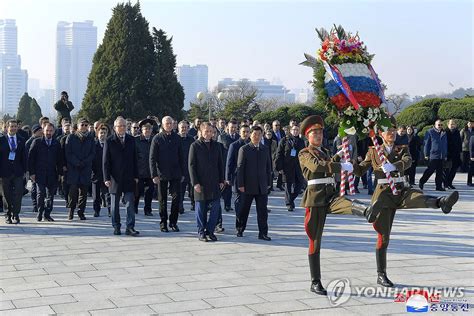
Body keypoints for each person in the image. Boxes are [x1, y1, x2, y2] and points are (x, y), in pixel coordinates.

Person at [354, 117, 459, 288]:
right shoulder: (374, 151)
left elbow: (407, 161)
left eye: (394, 130)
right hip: (383, 195)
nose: (392, 133)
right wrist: (349, 163)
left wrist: (394, 166)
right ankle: (381, 274)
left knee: (417, 197)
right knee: (383, 236)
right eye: (389, 130)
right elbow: (360, 170)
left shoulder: (402, 148)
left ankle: (442, 202)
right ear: (380, 133)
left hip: (401, 189)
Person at [298, 115, 378, 295]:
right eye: (314, 133)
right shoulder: (304, 153)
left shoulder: (324, 151)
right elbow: (317, 167)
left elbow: (326, 162)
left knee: (346, 202)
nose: (318, 136)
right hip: (315, 199)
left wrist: (338, 155)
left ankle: (367, 211)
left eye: (320, 132)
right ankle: (315, 281)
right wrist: (340, 166)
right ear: (307, 136)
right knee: (315, 240)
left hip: (330, 194)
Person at [103, 117, 139, 236]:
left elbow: (135, 158)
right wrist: (106, 178)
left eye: (124, 125)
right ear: (114, 128)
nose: (123, 128)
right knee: (115, 205)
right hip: (115, 178)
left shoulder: (131, 140)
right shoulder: (109, 141)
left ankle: (130, 227)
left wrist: (136, 175)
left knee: (130, 204)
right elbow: (105, 161)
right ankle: (116, 226)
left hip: (129, 177)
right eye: (120, 126)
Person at [189, 123, 224, 242]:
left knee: (216, 208)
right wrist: (195, 183)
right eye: (206, 131)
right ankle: (201, 231)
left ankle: (210, 230)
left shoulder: (217, 146)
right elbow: (191, 166)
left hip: (214, 182)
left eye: (211, 131)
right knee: (201, 210)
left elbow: (220, 164)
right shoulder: (195, 146)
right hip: (201, 183)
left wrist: (221, 180)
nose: (209, 133)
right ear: (201, 131)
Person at [236, 126, 272, 241]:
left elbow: (268, 167)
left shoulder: (265, 149)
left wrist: (269, 183)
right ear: (250, 135)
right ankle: (240, 229)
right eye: (254, 134)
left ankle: (263, 233)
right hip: (247, 185)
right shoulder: (244, 149)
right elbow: (240, 168)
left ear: (262, 135)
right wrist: (240, 184)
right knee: (244, 210)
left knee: (262, 211)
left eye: (259, 134)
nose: (256, 136)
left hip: (262, 186)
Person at [150, 116, 185, 232]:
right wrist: (154, 175)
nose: (169, 125)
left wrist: (183, 172)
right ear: (163, 125)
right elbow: (152, 158)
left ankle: (173, 222)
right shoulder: (157, 138)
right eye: (167, 123)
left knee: (176, 198)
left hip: (175, 173)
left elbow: (181, 157)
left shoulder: (177, 138)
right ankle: (163, 223)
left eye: (171, 123)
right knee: (162, 200)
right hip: (162, 174)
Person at [28, 123, 62, 222]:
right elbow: (31, 159)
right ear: (43, 130)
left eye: (51, 131)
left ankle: (47, 213)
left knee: (50, 195)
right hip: (40, 173)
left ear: (54, 131)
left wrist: (60, 173)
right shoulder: (37, 142)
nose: (48, 133)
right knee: (40, 193)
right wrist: (32, 173)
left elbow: (60, 160)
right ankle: (40, 212)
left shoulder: (56, 143)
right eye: (47, 130)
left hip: (52, 173)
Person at [65, 118, 95, 220]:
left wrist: (85, 162)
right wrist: (76, 162)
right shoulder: (71, 137)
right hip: (74, 168)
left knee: (84, 192)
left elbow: (92, 153)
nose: (84, 127)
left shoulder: (91, 138)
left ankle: (81, 211)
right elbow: (68, 153)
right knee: (72, 191)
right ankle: (71, 210)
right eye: (82, 125)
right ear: (77, 126)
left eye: (86, 125)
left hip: (85, 168)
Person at [0, 120, 27, 224]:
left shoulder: (21, 140)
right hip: (4, 172)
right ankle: (8, 215)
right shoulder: (1, 140)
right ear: (7, 127)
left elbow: (24, 157)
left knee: (18, 194)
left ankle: (16, 214)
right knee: (6, 195)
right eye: (11, 126)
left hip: (18, 172)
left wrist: (26, 171)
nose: (13, 128)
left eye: (15, 126)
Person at [275, 125, 305, 211]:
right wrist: (279, 167)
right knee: (288, 185)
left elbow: (304, 154)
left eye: (297, 130)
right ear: (290, 131)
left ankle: (290, 199)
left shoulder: (301, 141)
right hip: (287, 166)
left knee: (299, 184)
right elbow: (279, 154)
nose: (295, 131)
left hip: (298, 166)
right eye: (294, 130)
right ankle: (289, 204)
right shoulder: (284, 140)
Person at [226, 125, 250, 219]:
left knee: (246, 200)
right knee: (238, 199)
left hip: (249, 177)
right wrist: (228, 177)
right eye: (244, 131)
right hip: (237, 177)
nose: (246, 134)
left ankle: (243, 217)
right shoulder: (234, 145)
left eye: (247, 132)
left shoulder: (252, 145)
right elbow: (229, 162)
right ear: (239, 133)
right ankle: (239, 218)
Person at [419, 119, 447, 191]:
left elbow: (445, 144)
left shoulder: (444, 132)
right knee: (430, 170)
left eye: (441, 125)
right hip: (433, 155)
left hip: (441, 156)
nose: (440, 126)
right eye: (438, 125)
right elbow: (426, 144)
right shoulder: (430, 132)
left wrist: (445, 154)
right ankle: (422, 181)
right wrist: (426, 154)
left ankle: (439, 186)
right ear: (435, 125)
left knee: (440, 172)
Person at [134, 119, 154, 216]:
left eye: (149, 129)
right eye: (145, 129)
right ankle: (134, 208)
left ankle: (148, 209)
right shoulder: (136, 140)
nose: (147, 131)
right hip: (139, 171)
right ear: (141, 129)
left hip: (151, 171)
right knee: (137, 192)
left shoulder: (154, 140)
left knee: (149, 192)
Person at [217, 120, 239, 212]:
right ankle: (227, 204)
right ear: (227, 127)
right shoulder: (222, 137)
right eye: (231, 127)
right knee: (227, 186)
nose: (233, 129)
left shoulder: (239, 137)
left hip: (237, 165)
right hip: (225, 164)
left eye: (235, 127)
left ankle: (236, 204)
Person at [91, 124, 111, 217]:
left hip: (107, 174)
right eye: (101, 133)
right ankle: (96, 210)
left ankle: (111, 210)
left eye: (104, 133)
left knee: (108, 194)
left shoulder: (110, 144)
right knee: (96, 196)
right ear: (97, 133)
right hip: (95, 173)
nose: (102, 135)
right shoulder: (93, 145)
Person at [177, 120, 195, 214]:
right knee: (181, 190)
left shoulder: (191, 139)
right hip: (180, 168)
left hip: (190, 167)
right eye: (182, 127)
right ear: (179, 128)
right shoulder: (176, 138)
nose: (184, 129)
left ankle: (193, 203)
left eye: (186, 127)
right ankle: (180, 206)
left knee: (192, 189)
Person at [25, 124, 43, 213]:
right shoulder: (30, 142)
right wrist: (29, 170)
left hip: (40, 167)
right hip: (32, 168)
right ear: (35, 131)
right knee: (34, 187)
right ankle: (35, 204)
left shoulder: (41, 140)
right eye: (40, 130)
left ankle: (39, 204)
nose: (42, 132)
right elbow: (28, 157)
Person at [444, 119, 462, 189]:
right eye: (451, 124)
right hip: (448, 153)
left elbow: (459, 142)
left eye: (453, 124)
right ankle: (445, 183)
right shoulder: (445, 132)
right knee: (446, 170)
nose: (452, 125)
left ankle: (450, 183)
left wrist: (460, 151)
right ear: (448, 124)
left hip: (456, 153)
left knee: (454, 169)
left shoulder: (457, 132)